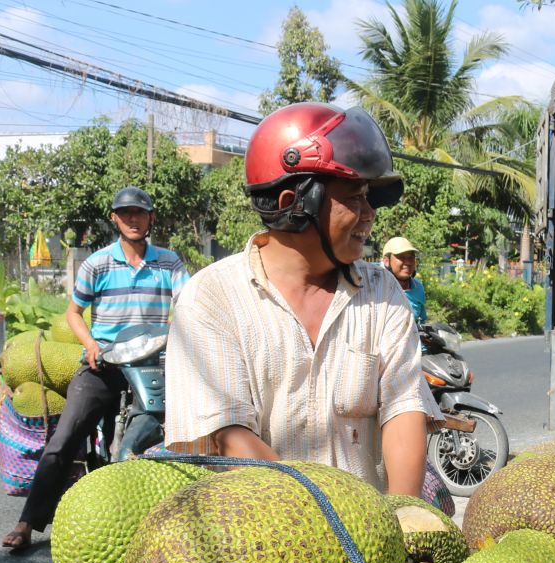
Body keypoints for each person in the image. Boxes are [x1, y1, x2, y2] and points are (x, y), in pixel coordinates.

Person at [163, 103, 431, 497]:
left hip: (369, 537)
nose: (370, 214)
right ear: (295, 202)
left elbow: (404, 408)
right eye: (355, 198)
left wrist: (404, 514)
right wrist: (331, 519)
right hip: (259, 536)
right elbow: (229, 435)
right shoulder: (211, 298)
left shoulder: (382, 293)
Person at [2, 186, 188, 552]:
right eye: (126, 213)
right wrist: (90, 344)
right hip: (103, 363)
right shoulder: (98, 263)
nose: (133, 219)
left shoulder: (169, 263)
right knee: (64, 437)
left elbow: (189, 303)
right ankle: (28, 522)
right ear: (115, 219)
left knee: (181, 433)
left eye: (140, 212)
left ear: (151, 218)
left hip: (154, 364)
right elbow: (73, 312)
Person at [382, 235, 427, 324]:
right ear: (387, 261)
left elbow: (422, 320)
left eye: (411, 257)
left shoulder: (418, 288)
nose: (408, 262)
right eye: (401, 257)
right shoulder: (378, 288)